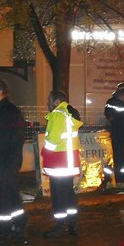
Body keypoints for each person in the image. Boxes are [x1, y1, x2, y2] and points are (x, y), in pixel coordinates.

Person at [0, 79, 27, 246]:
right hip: (8, 161)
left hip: (5, 162)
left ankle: (3, 234)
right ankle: (19, 225)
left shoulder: (7, 112)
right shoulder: (5, 110)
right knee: (10, 195)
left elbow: (4, 141)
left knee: (2, 199)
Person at [41, 90, 83, 238]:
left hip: (58, 163)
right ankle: (72, 224)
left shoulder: (58, 114)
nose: (47, 103)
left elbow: (52, 140)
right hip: (69, 163)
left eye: (49, 100)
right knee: (68, 194)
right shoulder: (69, 114)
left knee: (58, 197)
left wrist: (44, 153)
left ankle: (59, 226)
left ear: (57, 102)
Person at [104, 86, 124, 192]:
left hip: (122, 133)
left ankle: (123, 179)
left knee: (121, 155)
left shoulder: (123, 104)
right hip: (118, 133)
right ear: (120, 94)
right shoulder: (112, 102)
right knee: (119, 155)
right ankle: (119, 178)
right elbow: (110, 116)